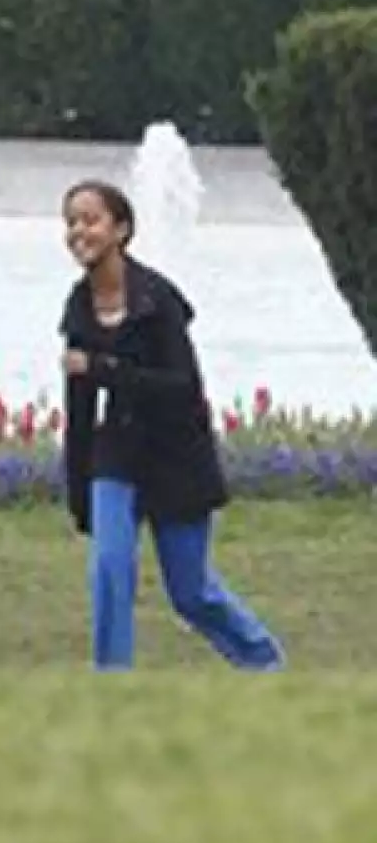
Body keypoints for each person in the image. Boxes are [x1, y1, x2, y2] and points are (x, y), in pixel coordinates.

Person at [57, 178, 286, 672]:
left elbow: (181, 387)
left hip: (176, 455)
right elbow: (79, 412)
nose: (78, 231)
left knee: (190, 592)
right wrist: (79, 493)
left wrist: (103, 368)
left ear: (121, 229)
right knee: (110, 570)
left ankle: (263, 662)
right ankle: (111, 685)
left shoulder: (157, 301)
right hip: (116, 454)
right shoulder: (78, 308)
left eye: (90, 220)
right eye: (71, 222)